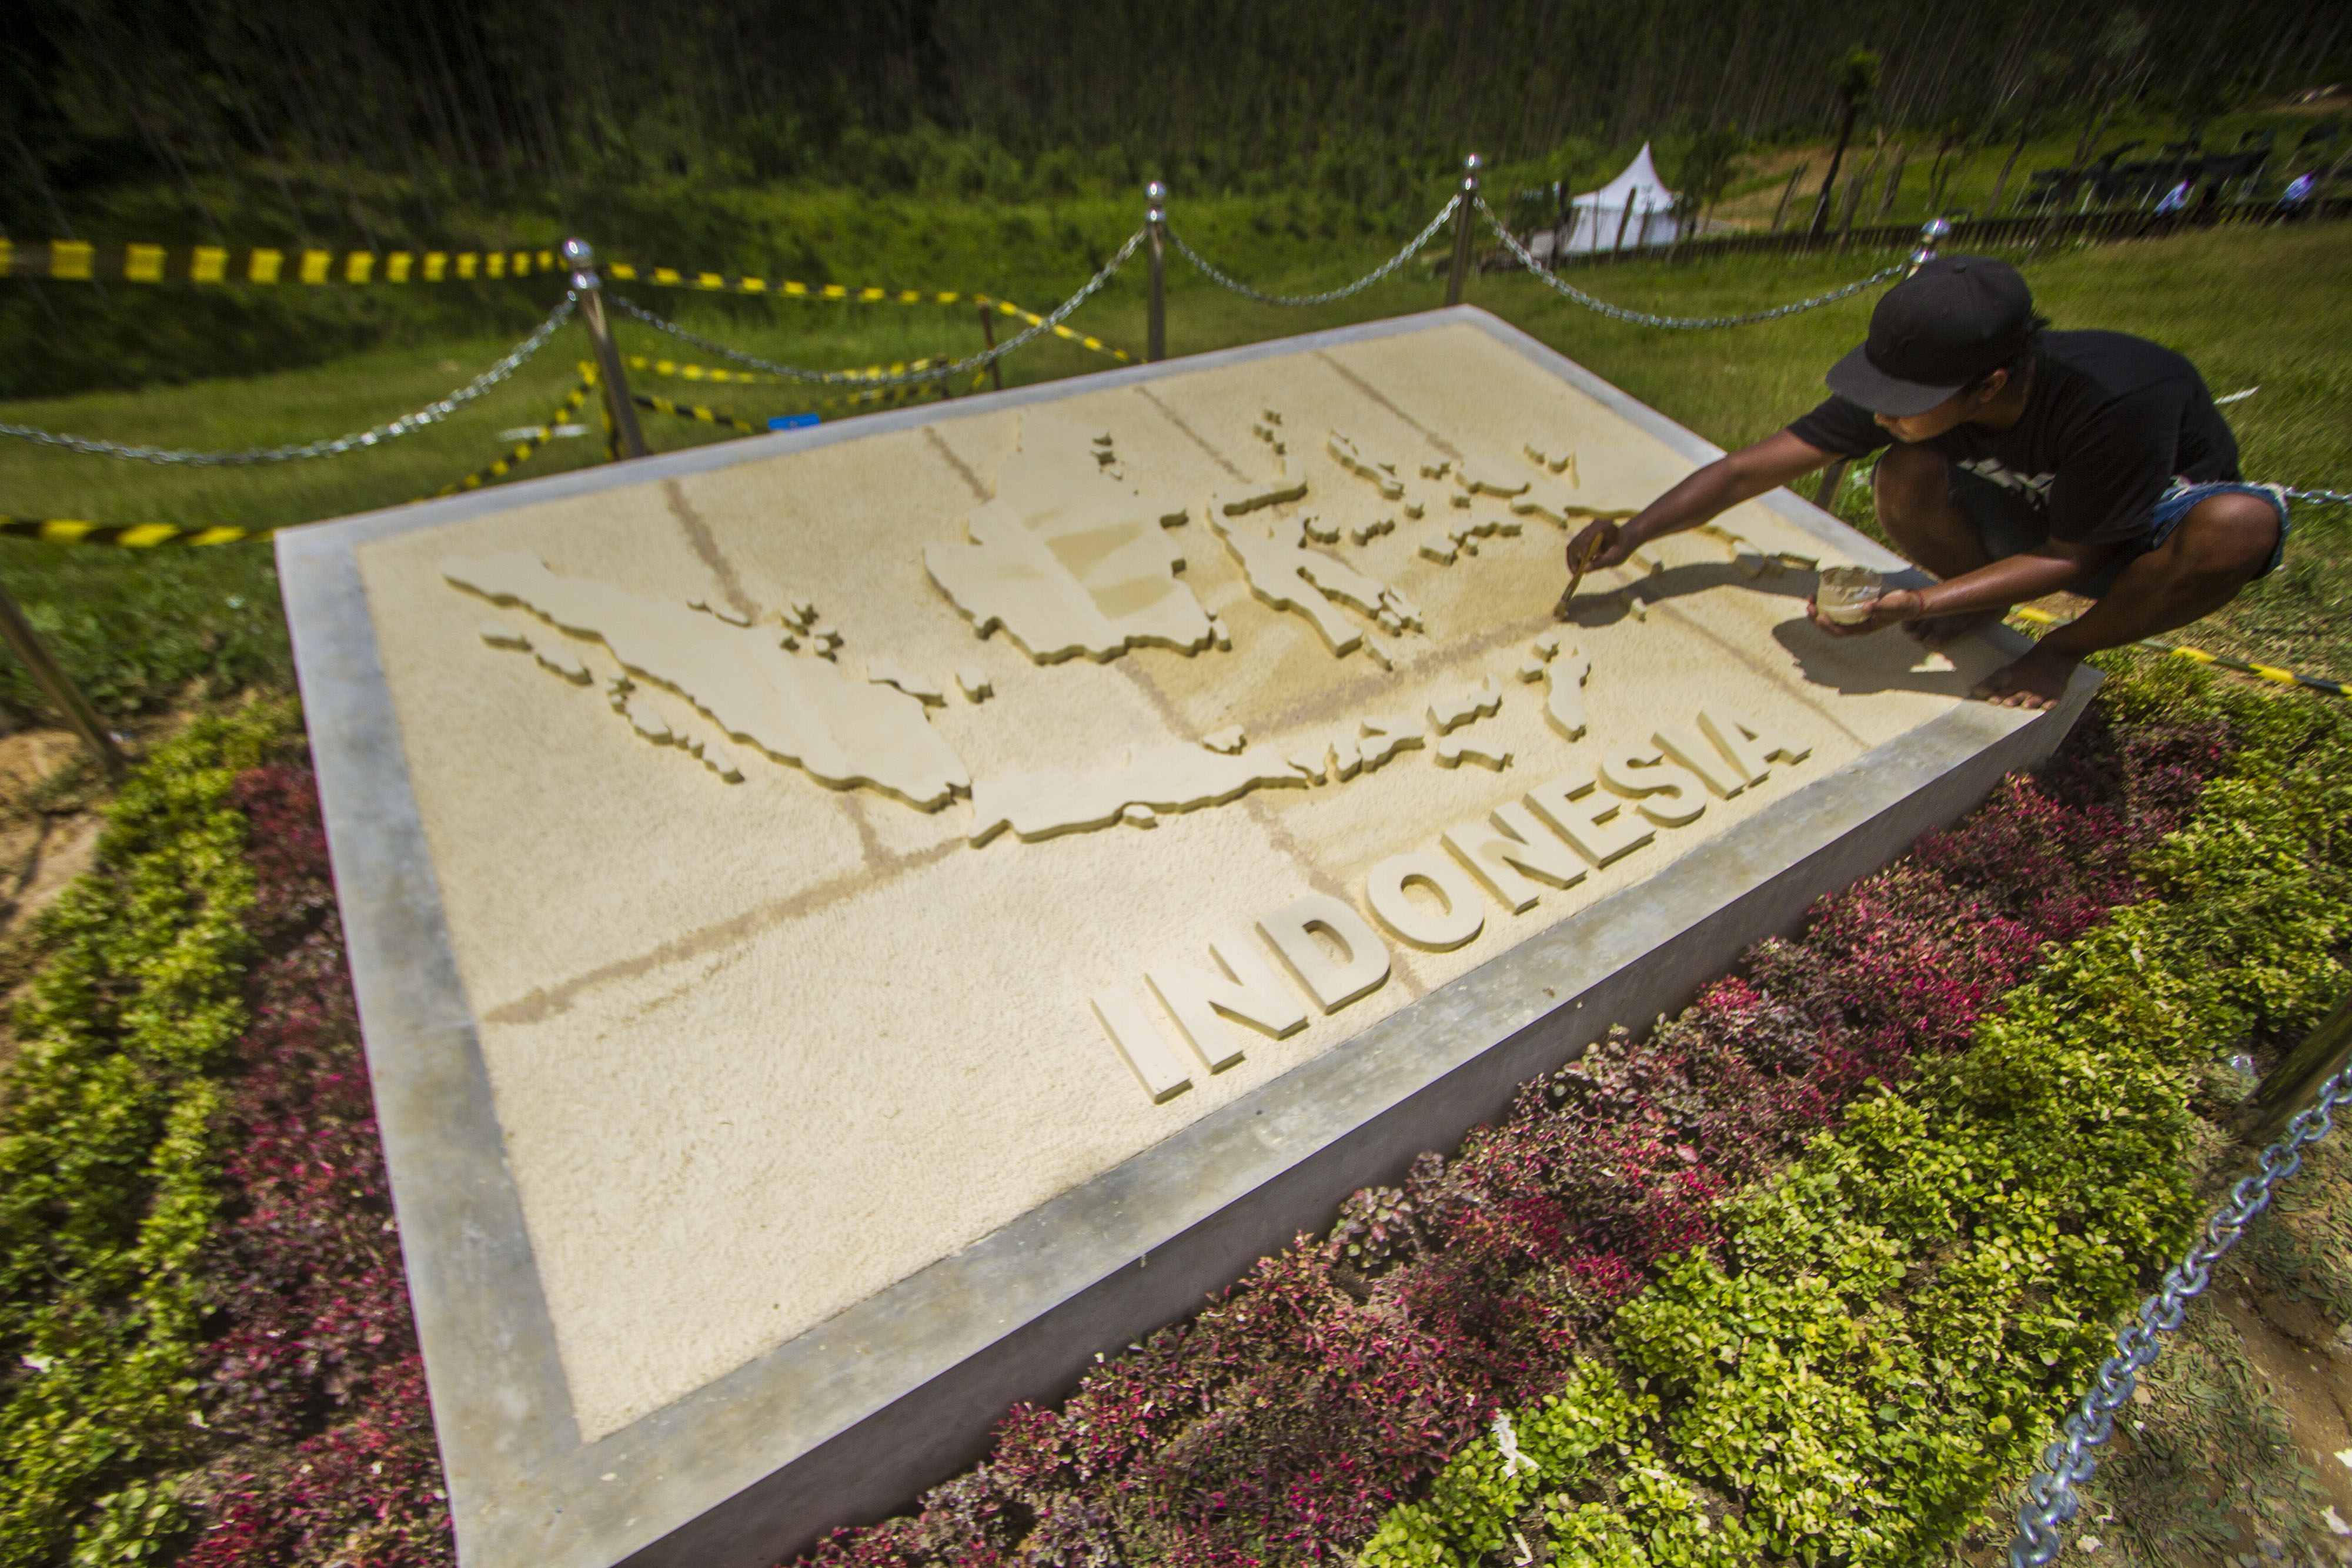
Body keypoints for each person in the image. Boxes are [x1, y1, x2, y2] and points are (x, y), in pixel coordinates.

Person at [1563, 256, 2288, 710]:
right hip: (2032, 518)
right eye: (1878, 389)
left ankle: (2059, 651)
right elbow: (1747, 469)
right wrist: (1633, 534)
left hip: (2137, 537)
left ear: (1990, 386)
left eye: (1903, 402)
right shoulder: (1915, 390)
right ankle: (1976, 601)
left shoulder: (2118, 399)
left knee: (2237, 531)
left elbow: (2076, 558)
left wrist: (1913, 602)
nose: (1883, 410)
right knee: (1903, 467)